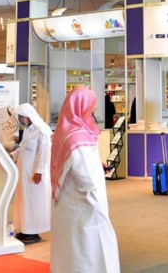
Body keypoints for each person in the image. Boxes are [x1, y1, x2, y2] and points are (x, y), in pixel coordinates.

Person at [50, 87, 120, 273]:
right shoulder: (77, 136)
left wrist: (98, 165)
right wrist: (98, 205)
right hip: (84, 207)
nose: (93, 112)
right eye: (91, 109)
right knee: (89, 253)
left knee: (69, 253)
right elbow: (86, 178)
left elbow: (72, 166)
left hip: (67, 206)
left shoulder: (65, 133)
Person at [11, 103, 52, 245]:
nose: (20, 119)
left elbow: (44, 153)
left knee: (34, 200)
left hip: (35, 173)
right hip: (24, 172)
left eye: (21, 116)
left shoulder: (42, 130)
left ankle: (33, 231)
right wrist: (12, 155)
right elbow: (22, 147)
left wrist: (39, 171)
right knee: (24, 200)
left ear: (28, 116)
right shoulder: (29, 130)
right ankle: (25, 228)